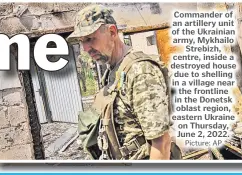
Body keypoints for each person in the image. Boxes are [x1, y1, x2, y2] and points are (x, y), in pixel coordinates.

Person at [67, 4, 177, 160]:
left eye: (90, 39)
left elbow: (161, 143)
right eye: (81, 41)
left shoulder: (140, 72)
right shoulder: (113, 71)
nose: (85, 48)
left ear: (112, 32)